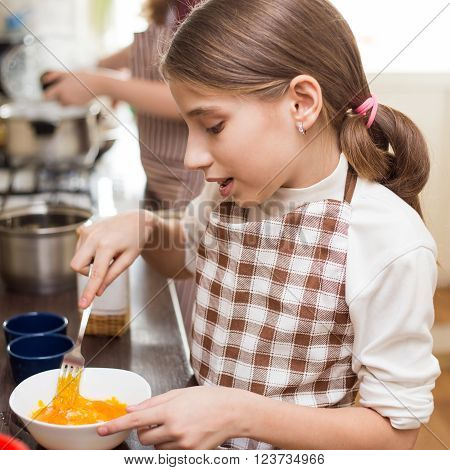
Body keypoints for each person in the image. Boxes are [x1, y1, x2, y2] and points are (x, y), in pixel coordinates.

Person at [70, 0, 441, 450]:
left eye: (213, 125)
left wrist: (239, 414)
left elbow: (394, 437)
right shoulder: (236, 190)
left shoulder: (388, 239)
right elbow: (192, 256)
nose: (192, 157)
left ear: (301, 103)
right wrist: (146, 228)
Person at [43, 0, 203, 334]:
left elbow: (194, 99)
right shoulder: (168, 7)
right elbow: (159, 50)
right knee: (173, 308)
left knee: (194, 306)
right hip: (162, 181)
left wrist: (102, 82)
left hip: (193, 183)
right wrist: (97, 66)